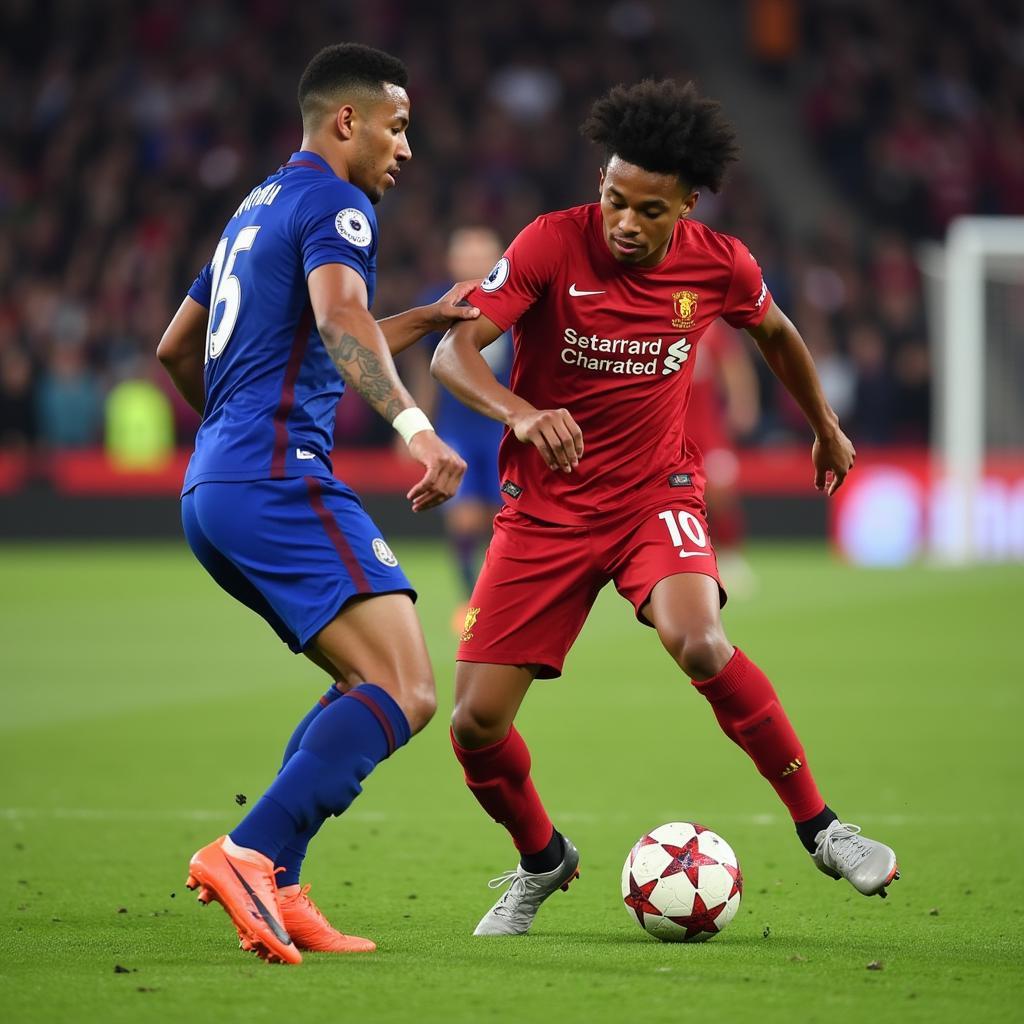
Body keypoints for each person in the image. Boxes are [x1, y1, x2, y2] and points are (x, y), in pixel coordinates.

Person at [432, 79, 899, 938]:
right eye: (614, 198)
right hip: (545, 512)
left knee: (700, 638)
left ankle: (823, 828)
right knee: (474, 726)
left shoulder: (720, 262)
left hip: (656, 493)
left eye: (649, 208)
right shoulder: (547, 244)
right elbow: (454, 351)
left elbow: (778, 334)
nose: (624, 221)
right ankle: (543, 860)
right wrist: (522, 414)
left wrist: (826, 428)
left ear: (687, 202)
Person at [156, 43, 476, 964]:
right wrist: (418, 429)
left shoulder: (253, 210)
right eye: (398, 126)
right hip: (278, 478)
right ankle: (248, 849)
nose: (406, 149)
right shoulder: (339, 203)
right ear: (348, 122)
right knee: (407, 690)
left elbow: (180, 348)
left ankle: (282, 882)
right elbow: (339, 323)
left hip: (215, 489)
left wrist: (419, 320)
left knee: (358, 682)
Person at [404, 226, 512, 615]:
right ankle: (470, 601)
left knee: (498, 520)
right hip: (458, 426)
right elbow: (425, 370)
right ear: (452, 261)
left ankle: (495, 596)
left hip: (503, 428)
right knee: (464, 518)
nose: (474, 262)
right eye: (466, 254)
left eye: (482, 253)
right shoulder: (437, 303)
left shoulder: (520, 301)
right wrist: (415, 424)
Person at [686, 318, 760, 597]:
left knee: (720, 492)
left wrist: (742, 404)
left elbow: (734, 366)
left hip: (707, 433)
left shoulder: (710, 329)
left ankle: (731, 556)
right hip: (670, 433)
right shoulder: (655, 323)